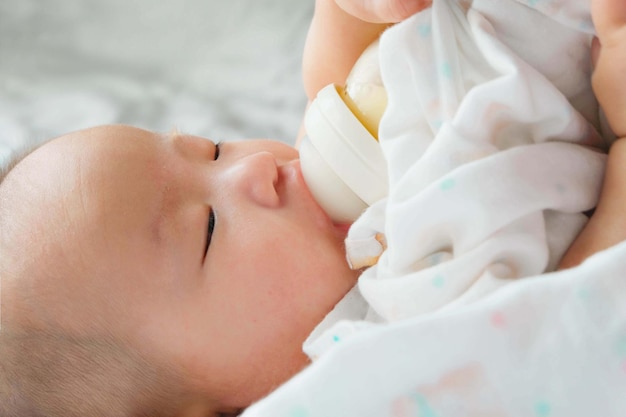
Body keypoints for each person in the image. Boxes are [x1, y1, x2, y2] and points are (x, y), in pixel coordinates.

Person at [0, 0, 624, 415]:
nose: (253, 168)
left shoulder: (333, 217)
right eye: (208, 231)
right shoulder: (386, 354)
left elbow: (336, 77)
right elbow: (566, 317)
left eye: (211, 150)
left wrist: (351, 10)